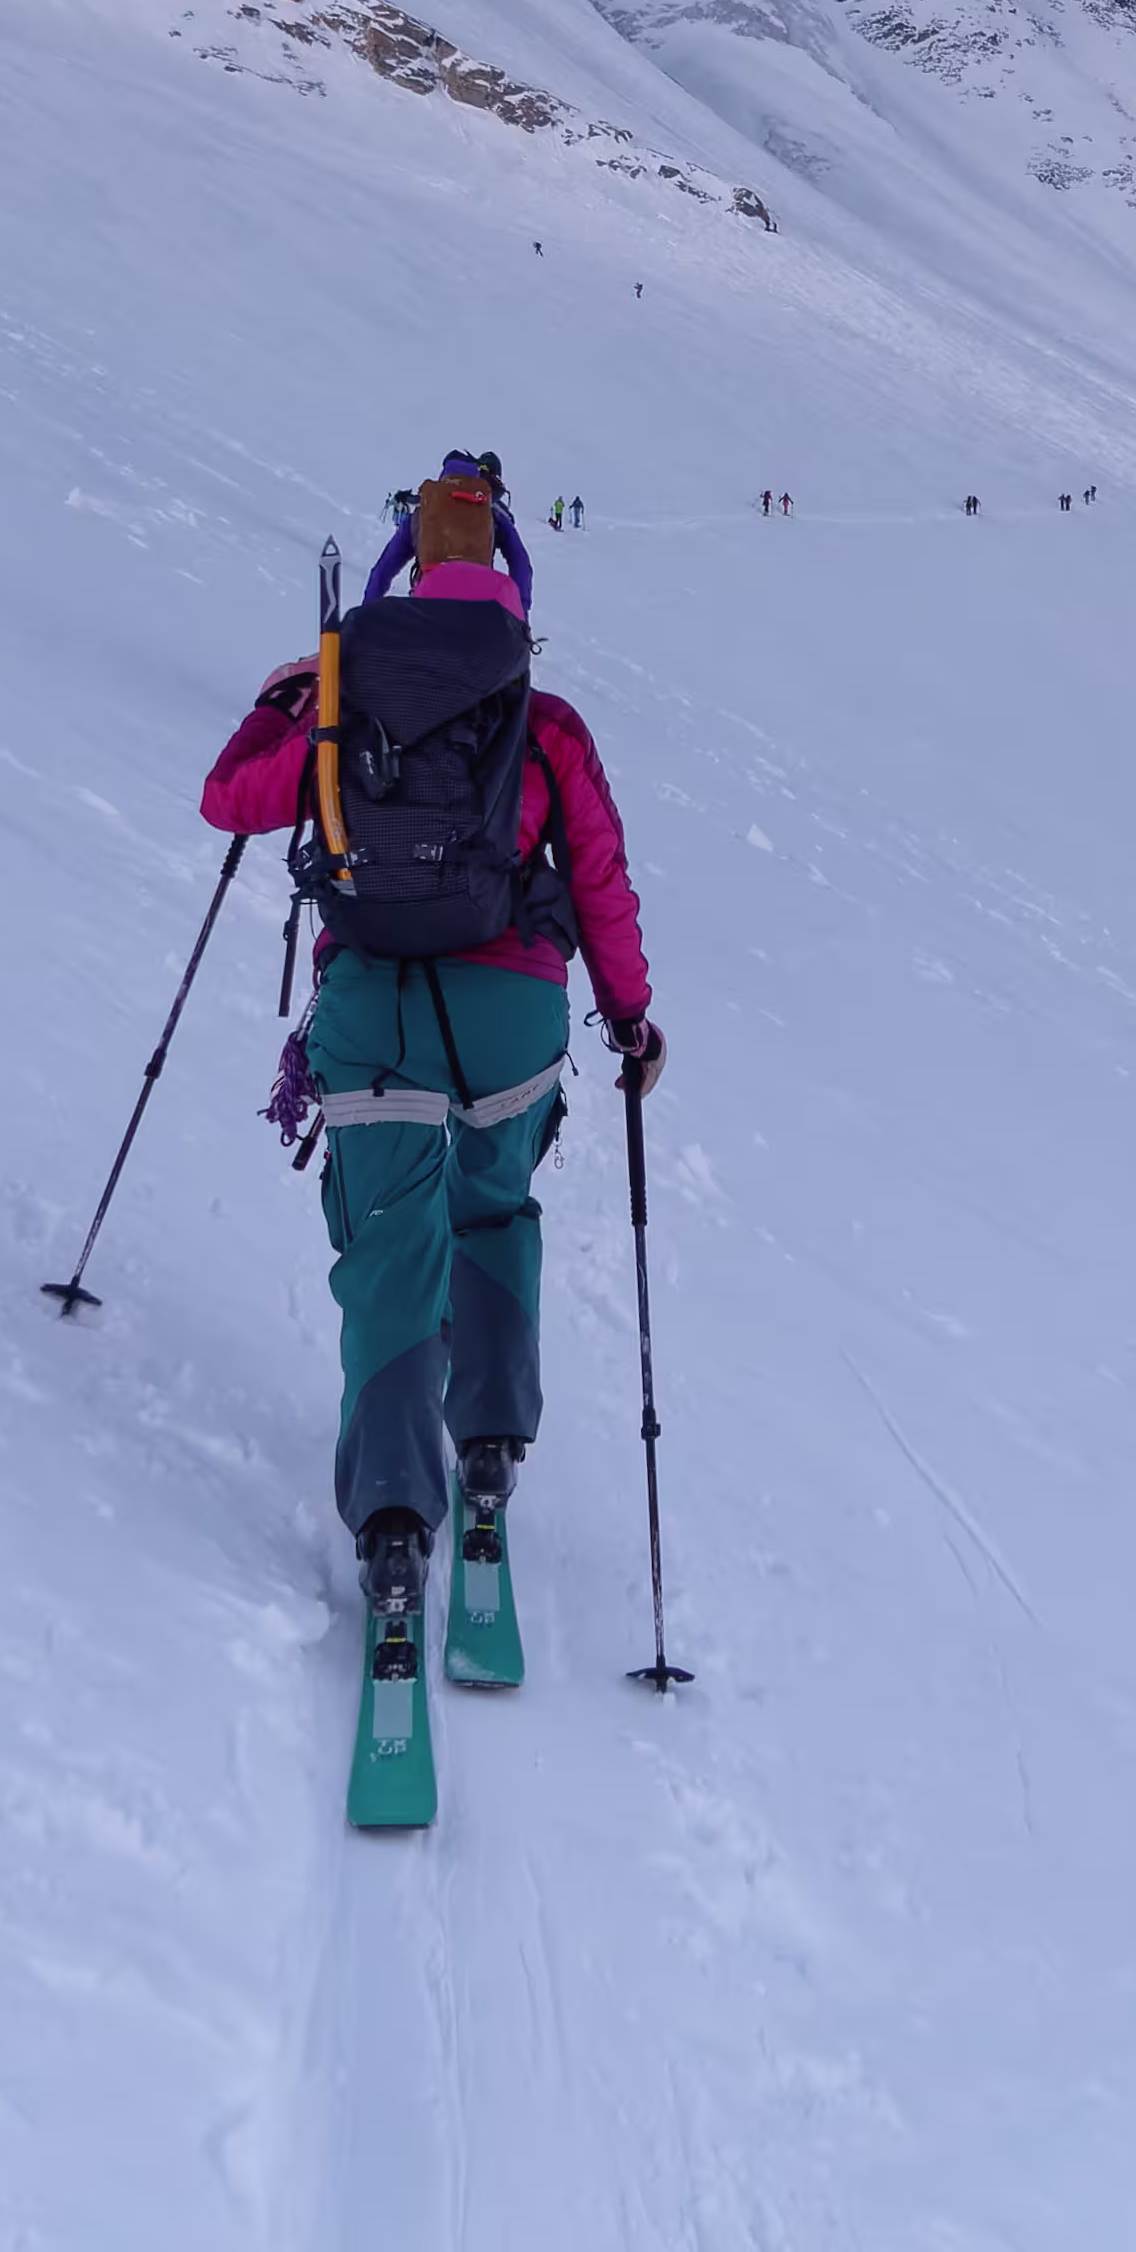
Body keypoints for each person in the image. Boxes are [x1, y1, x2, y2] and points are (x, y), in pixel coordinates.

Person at [201, 463, 661, 1605]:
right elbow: (598, 878)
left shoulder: (344, 694)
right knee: (492, 1207)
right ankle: (492, 1440)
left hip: (373, 1012)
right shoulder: (544, 723)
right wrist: (631, 1018)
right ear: (515, 594)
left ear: (399, 579)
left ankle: (399, 1513)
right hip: (512, 1014)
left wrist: (290, 696)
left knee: (391, 1246)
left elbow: (231, 801)